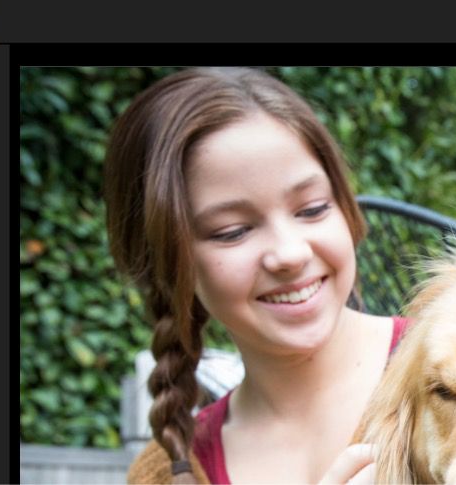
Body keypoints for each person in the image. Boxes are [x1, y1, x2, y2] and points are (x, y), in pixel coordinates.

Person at [108, 67, 398, 484]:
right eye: (233, 232)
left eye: (313, 209)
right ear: (167, 266)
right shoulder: (165, 474)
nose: (290, 253)